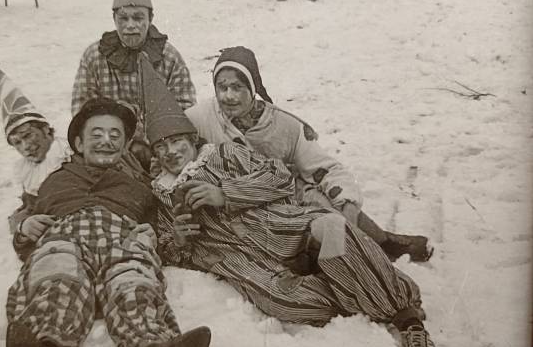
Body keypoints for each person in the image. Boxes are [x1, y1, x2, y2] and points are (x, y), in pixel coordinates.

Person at [138, 58, 436, 347]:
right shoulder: (162, 197)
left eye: (176, 141)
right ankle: (360, 280)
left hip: (288, 228)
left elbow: (279, 177)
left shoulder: (224, 155)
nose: (171, 151)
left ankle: (408, 320)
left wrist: (226, 193)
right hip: (248, 263)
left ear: (191, 139)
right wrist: (178, 240)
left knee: (333, 227)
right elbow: (168, 251)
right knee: (287, 303)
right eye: (161, 146)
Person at [185, 46, 433, 262]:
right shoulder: (201, 117)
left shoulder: (284, 125)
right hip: (239, 203)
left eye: (237, 87)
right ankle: (363, 253)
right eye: (222, 87)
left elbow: (323, 168)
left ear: (253, 88)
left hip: (286, 195)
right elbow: (172, 138)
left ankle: (382, 244)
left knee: (326, 207)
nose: (228, 96)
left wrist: (346, 202)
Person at [5, 98, 211, 347]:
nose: (106, 140)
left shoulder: (139, 188)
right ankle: (43, 345)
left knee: (133, 280)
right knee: (58, 274)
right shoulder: (52, 181)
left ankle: (154, 345)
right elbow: (22, 220)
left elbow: (157, 228)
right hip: (66, 235)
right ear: (79, 143)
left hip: (121, 237)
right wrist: (25, 228)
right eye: (97, 134)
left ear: (124, 147)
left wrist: (153, 235)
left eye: (115, 135)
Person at [71, 0, 196, 169]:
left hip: (160, 148)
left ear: (150, 19)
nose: (130, 25)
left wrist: (153, 143)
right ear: (114, 19)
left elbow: (184, 109)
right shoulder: (94, 56)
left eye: (138, 18)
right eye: (123, 18)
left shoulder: (169, 57)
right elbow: (82, 108)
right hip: (110, 147)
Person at [0, 60, 73, 261]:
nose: (25, 147)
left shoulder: (68, 154)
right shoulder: (28, 171)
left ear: (46, 130)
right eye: (17, 143)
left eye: (28, 135)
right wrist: (22, 224)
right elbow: (28, 207)